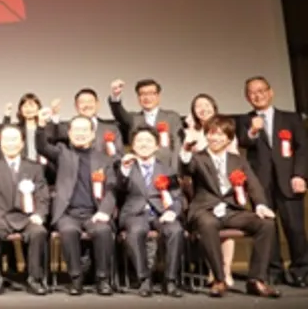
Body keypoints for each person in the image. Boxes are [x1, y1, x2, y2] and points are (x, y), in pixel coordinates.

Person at [180, 115, 280, 298]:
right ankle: (219, 279)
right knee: (208, 224)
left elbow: (253, 184)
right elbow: (186, 167)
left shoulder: (238, 160)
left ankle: (256, 280)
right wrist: (186, 150)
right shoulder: (198, 158)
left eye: (220, 134)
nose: (215, 138)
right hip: (204, 210)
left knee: (266, 224)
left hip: (231, 211)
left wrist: (260, 205)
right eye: (211, 134)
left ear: (229, 138)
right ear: (206, 135)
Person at [237, 76, 308, 287]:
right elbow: (243, 142)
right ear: (247, 97)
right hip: (261, 183)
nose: (257, 95)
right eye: (252, 92)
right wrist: (253, 130)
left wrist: (300, 175)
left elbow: (303, 148)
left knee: (295, 228)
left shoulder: (291, 118)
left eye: (261, 90)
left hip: (290, 181)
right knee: (267, 228)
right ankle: (274, 270)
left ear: (271, 92)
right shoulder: (244, 120)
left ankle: (301, 270)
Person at [36, 111, 117, 296]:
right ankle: (75, 278)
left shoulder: (104, 159)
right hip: (68, 213)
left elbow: (111, 189)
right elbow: (42, 146)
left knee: (103, 231)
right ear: (69, 133)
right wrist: (41, 126)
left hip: (94, 213)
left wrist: (104, 211)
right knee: (68, 231)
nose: (80, 134)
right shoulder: (62, 153)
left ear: (92, 134)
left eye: (84, 130)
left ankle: (102, 279)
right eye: (76, 130)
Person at [0, 125, 49, 296]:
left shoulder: (34, 167)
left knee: (39, 232)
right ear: (1, 144)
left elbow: (42, 194)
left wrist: (40, 214)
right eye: (6, 140)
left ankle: (34, 278)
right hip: (0, 216)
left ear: (22, 143)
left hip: (27, 216)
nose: (10, 144)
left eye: (14, 139)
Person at [117, 126, 184, 297]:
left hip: (161, 212)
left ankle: (170, 280)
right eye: (139, 141)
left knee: (175, 230)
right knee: (136, 230)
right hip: (135, 214)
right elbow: (117, 189)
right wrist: (124, 170)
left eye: (148, 141)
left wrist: (173, 212)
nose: (144, 144)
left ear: (156, 146)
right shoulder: (124, 166)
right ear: (132, 145)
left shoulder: (167, 169)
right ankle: (144, 279)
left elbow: (177, 196)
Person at [183, 93, 239, 286]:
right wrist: (190, 132)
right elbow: (186, 161)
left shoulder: (225, 130)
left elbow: (234, 159)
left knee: (226, 228)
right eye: (198, 106)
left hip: (223, 187)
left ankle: (226, 269)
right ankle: (213, 270)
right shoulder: (191, 132)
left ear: (214, 107)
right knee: (208, 227)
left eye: (207, 105)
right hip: (198, 188)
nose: (203, 109)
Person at [108, 78, 183, 167]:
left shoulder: (172, 117)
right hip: (139, 168)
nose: (147, 98)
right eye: (143, 94)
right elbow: (119, 114)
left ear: (158, 96)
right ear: (138, 97)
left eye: (151, 93)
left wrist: (175, 170)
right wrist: (115, 96)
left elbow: (177, 146)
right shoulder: (133, 118)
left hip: (165, 168)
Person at [53, 88, 124, 160]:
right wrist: (54, 116)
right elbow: (53, 138)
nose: (87, 105)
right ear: (76, 106)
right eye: (82, 102)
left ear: (98, 104)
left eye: (90, 101)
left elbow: (119, 156)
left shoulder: (111, 129)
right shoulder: (68, 127)